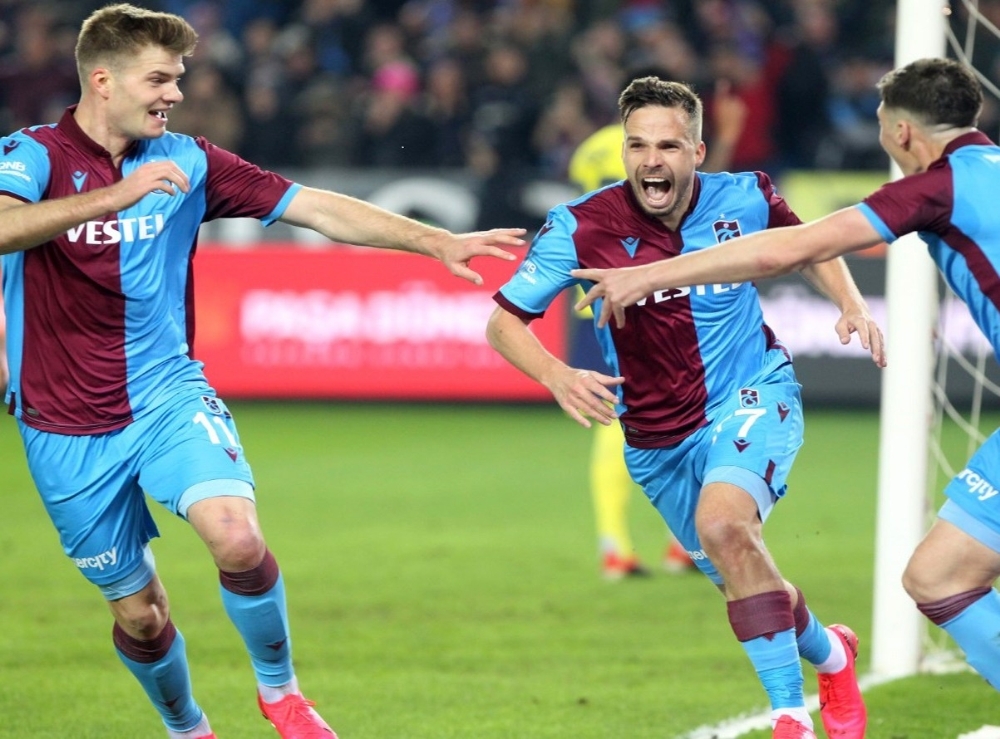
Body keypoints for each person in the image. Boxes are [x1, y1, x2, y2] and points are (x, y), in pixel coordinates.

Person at [0, 5, 524, 739]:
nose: (175, 94)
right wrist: (117, 196)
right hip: (62, 426)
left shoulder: (189, 160)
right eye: (159, 79)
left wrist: (433, 240)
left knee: (237, 537)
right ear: (103, 80)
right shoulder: (31, 155)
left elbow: (313, 207)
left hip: (165, 395)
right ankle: (188, 727)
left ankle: (283, 695)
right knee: (142, 616)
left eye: (178, 78)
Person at [574, 57, 1000, 699]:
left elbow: (788, 248)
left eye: (881, 125)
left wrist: (648, 275)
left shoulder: (934, 187)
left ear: (902, 133)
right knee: (940, 575)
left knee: (940, 578)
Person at [486, 75, 883, 739]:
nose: (651, 160)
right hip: (656, 440)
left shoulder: (745, 197)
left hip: (751, 391)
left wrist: (850, 301)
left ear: (697, 151)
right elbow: (503, 322)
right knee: (743, 573)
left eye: (668, 146)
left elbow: (810, 244)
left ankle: (791, 718)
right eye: (638, 146)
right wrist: (556, 374)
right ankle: (834, 656)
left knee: (725, 528)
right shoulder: (581, 226)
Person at [567, 79, 746, 579]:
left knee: (633, 419)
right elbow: (693, 197)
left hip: (605, 298)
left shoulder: (590, 151)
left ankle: (621, 544)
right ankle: (674, 544)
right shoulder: (668, 147)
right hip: (656, 294)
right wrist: (728, 139)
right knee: (679, 414)